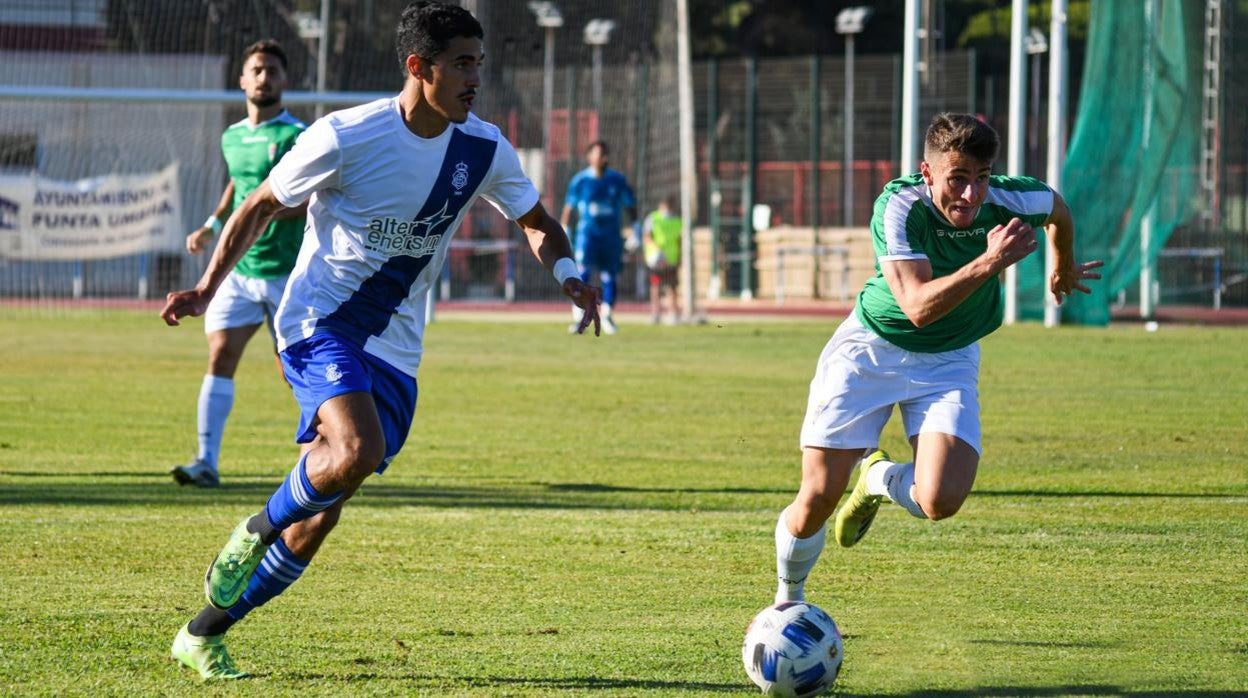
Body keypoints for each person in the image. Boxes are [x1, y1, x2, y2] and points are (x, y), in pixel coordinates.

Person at [160, 2, 601, 680]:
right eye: (461, 64)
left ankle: (202, 632)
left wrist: (569, 275)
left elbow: (537, 220)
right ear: (418, 67)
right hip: (318, 323)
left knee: (325, 510)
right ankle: (253, 530)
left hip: (396, 347)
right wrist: (207, 289)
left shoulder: (481, 147)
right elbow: (260, 205)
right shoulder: (346, 135)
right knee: (356, 450)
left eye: (478, 63)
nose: (474, 78)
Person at [772, 113, 1103, 605]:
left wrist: (1063, 262)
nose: (971, 194)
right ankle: (788, 603)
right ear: (927, 174)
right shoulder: (898, 206)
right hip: (872, 351)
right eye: (958, 179)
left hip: (948, 359)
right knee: (818, 498)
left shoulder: (1011, 199)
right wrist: (990, 261)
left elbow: (1057, 207)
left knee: (940, 499)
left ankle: (879, 477)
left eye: (982, 178)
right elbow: (918, 307)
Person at [171, 39, 308, 488]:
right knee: (220, 354)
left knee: (294, 370)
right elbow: (238, 185)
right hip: (238, 272)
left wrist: (266, 212)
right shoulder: (232, 136)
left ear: (284, 81)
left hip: (287, 272)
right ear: (243, 80)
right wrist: (212, 224)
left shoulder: (297, 136)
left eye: (272, 70)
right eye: (257, 69)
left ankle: (316, 465)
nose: (264, 77)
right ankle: (206, 461)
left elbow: (308, 197)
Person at [560, 140, 638, 335]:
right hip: (588, 236)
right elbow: (569, 207)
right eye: (597, 154)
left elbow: (630, 204)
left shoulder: (617, 180)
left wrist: (635, 229)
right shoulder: (580, 181)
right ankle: (579, 318)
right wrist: (564, 230)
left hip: (611, 237)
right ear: (589, 157)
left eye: (604, 154)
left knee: (609, 276)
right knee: (581, 274)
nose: (602, 158)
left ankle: (608, 316)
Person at [642, 195, 681, 325]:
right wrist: (656, 251)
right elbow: (646, 237)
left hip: (671, 259)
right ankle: (656, 313)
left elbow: (679, 240)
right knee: (656, 286)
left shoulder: (677, 221)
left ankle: (673, 313)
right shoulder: (653, 218)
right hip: (656, 260)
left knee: (672, 287)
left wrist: (679, 258)